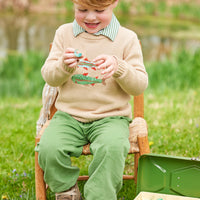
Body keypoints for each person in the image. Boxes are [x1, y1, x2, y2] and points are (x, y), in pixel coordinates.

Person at [36, 0, 148, 199]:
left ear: (114, 3)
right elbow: (49, 76)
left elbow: (139, 85)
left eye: (99, 10)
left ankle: (99, 194)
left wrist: (119, 68)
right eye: (82, 10)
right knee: (48, 148)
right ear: (73, 4)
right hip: (68, 116)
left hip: (111, 118)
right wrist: (63, 66)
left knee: (112, 148)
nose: (90, 17)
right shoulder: (64, 34)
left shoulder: (126, 39)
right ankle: (66, 190)